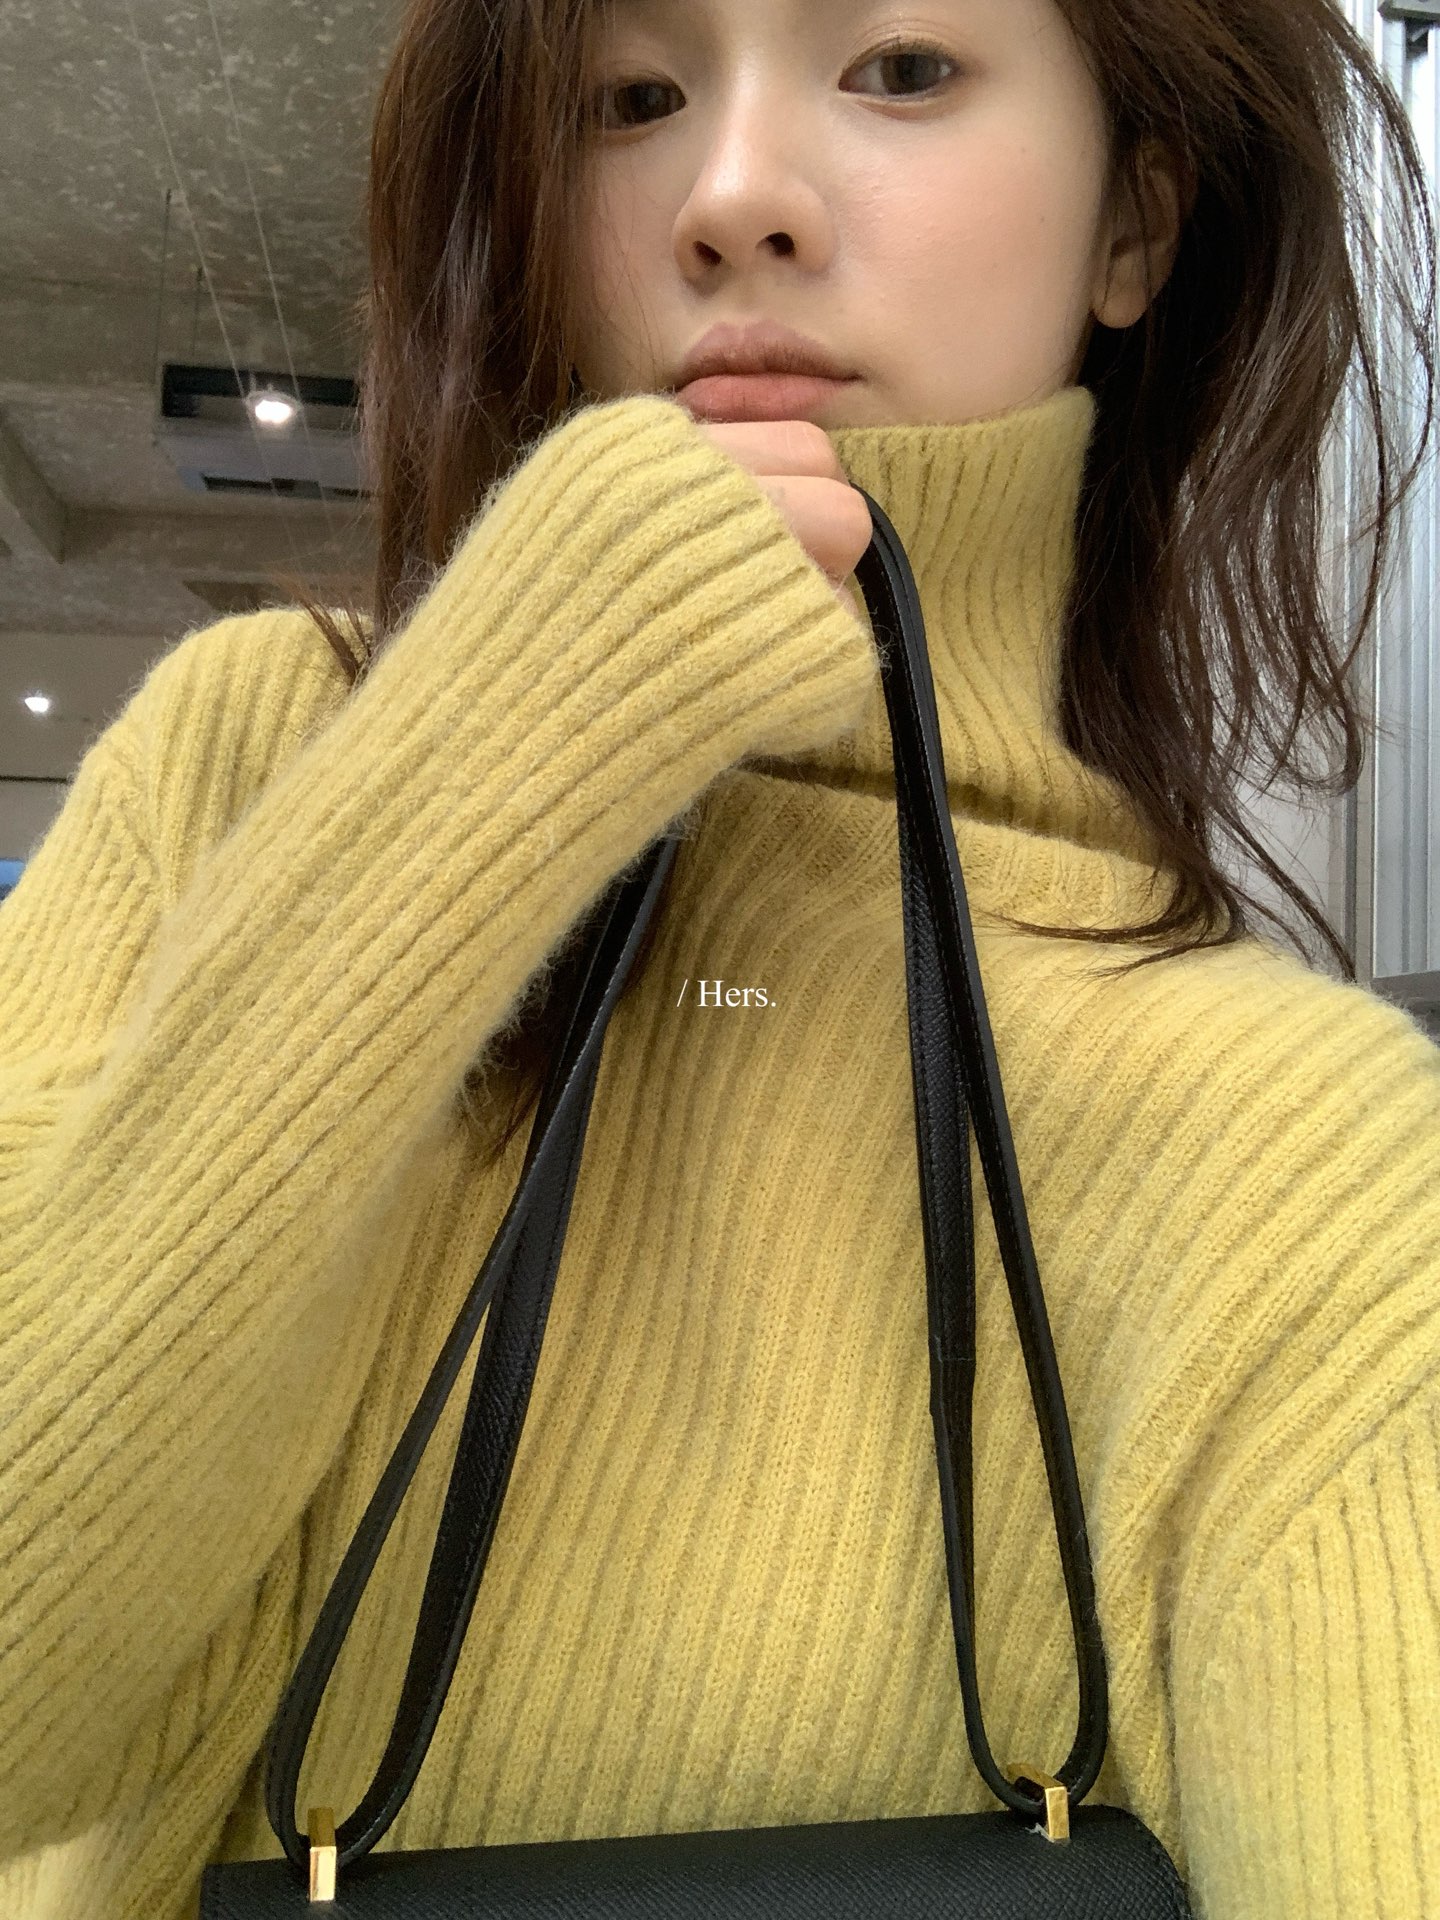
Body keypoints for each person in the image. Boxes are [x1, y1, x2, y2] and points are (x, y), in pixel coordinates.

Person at [1, 1, 1437, 1915]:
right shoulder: (250, 769)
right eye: (634, 97)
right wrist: (480, 768)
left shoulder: (1298, 1149)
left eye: (903, 69)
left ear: (1136, 227)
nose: (732, 193)